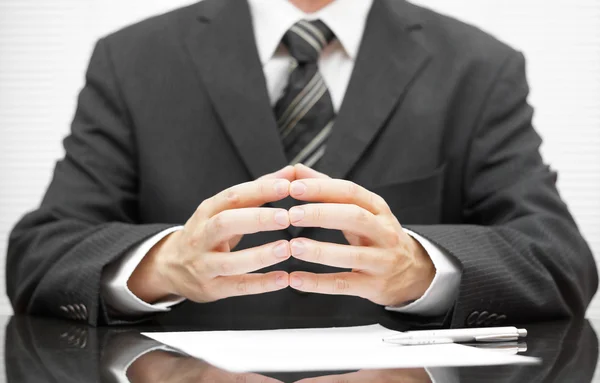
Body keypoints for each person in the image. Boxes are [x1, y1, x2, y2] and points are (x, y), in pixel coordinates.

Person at [6, 0, 597, 328]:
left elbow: (558, 258)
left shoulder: (477, 66)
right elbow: (43, 252)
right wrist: (162, 266)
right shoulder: (132, 60)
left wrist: (422, 268)